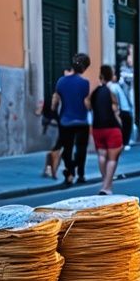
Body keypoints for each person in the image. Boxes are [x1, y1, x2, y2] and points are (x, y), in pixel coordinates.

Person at [51, 54, 92, 187]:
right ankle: (80, 174)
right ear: (84, 68)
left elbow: (55, 102)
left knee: (67, 149)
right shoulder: (85, 83)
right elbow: (87, 103)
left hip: (65, 120)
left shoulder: (61, 81)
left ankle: (69, 173)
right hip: (82, 120)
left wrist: (54, 110)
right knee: (81, 149)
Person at [87, 65, 124, 195]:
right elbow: (115, 112)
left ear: (100, 76)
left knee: (102, 156)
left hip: (97, 128)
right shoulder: (112, 91)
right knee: (113, 158)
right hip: (112, 128)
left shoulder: (95, 92)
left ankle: (105, 182)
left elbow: (88, 106)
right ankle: (107, 187)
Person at [108, 70, 134, 148]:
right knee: (125, 127)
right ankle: (124, 143)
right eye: (114, 76)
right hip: (122, 109)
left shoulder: (118, 85)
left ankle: (124, 142)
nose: (116, 77)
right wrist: (118, 109)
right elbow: (115, 98)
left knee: (126, 126)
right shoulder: (113, 86)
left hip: (124, 109)